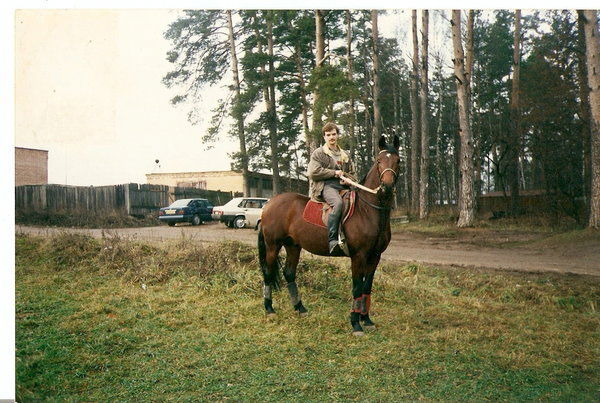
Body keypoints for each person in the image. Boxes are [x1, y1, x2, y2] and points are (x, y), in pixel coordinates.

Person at [307, 122, 357, 255]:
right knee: (338, 203)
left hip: (343, 186)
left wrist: (347, 180)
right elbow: (313, 173)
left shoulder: (345, 154)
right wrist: (334, 173)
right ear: (324, 137)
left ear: (337, 135)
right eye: (328, 135)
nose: (331, 137)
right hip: (325, 186)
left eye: (333, 134)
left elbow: (353, 175)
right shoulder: (318, 153)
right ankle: (333, 240)